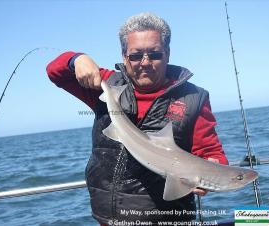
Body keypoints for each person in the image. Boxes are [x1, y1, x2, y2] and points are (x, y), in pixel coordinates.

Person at [46, 12, 228, 226]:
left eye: (155, 54)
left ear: (167, 54)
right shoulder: (106, 83)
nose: (145, 62)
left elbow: (211, 153)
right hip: (110, 218)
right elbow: (54, 72)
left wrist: (213, 169)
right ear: (124, 56)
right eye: (135, 55)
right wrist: (76, 59)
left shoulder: (193, 97)